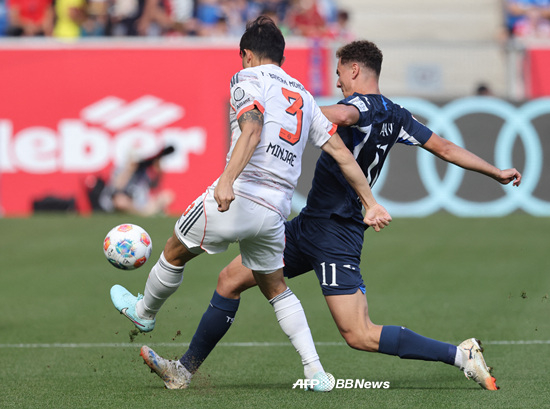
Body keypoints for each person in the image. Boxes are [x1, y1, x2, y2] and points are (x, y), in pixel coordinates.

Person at [140, 40, 521, 391]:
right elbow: (446, 148)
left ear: (354, 70)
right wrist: (496, 172)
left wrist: (290, 111)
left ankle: (461, 355)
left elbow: (336, 114)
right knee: (230, 280)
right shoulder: (399, 115)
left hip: (337, 233)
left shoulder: (359, 107)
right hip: (309, 224)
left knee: (359, 334)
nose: (338, 82)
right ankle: (183, 370)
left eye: (339, 74)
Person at [110, 18, 391, 391]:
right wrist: (370, 202)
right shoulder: (303, 95)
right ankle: (315, 371)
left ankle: (144, 312)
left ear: (246, 54)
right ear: (282, 57)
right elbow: (341, 152)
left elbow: (253, 129)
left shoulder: (246, 79)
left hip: (239, 196)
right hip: (276, 211)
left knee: (175, 250)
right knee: (276, 288)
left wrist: (227, 180)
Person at [96, 145, 175, 216]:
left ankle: (145, 212)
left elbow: (154, 186)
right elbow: (117, 187)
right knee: (121, 201)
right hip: (122, 201)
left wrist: (158, 170)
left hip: (139, 202)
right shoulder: (121, 169)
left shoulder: (142, 171)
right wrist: (130, 169)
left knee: (166, 196)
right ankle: (144, 214)